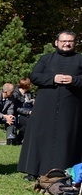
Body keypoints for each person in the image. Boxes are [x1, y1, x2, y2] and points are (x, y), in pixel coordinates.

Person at [18, 30, 82, 179]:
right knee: (40, 137)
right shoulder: (46, 59)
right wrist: (53, 78)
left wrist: (74, 80)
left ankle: (66, 171)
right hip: (45, 107)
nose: (67, 44)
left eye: (70, 41)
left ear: (74, 43)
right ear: (56, 43)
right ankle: (33, 170)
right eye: (63, 41)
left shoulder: (80, 60)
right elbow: (35, 76)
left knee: (66, 138)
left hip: (70, 108)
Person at [12, 78, 34, 145]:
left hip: (29, 112)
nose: (31, 86)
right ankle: (19, 139)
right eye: (30, 84)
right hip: (19, 114)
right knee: (29, 122)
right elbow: (16, 108)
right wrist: (28, 112)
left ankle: (19, 139)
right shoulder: (15, 94)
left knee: (33, 121)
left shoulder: (28, 94)